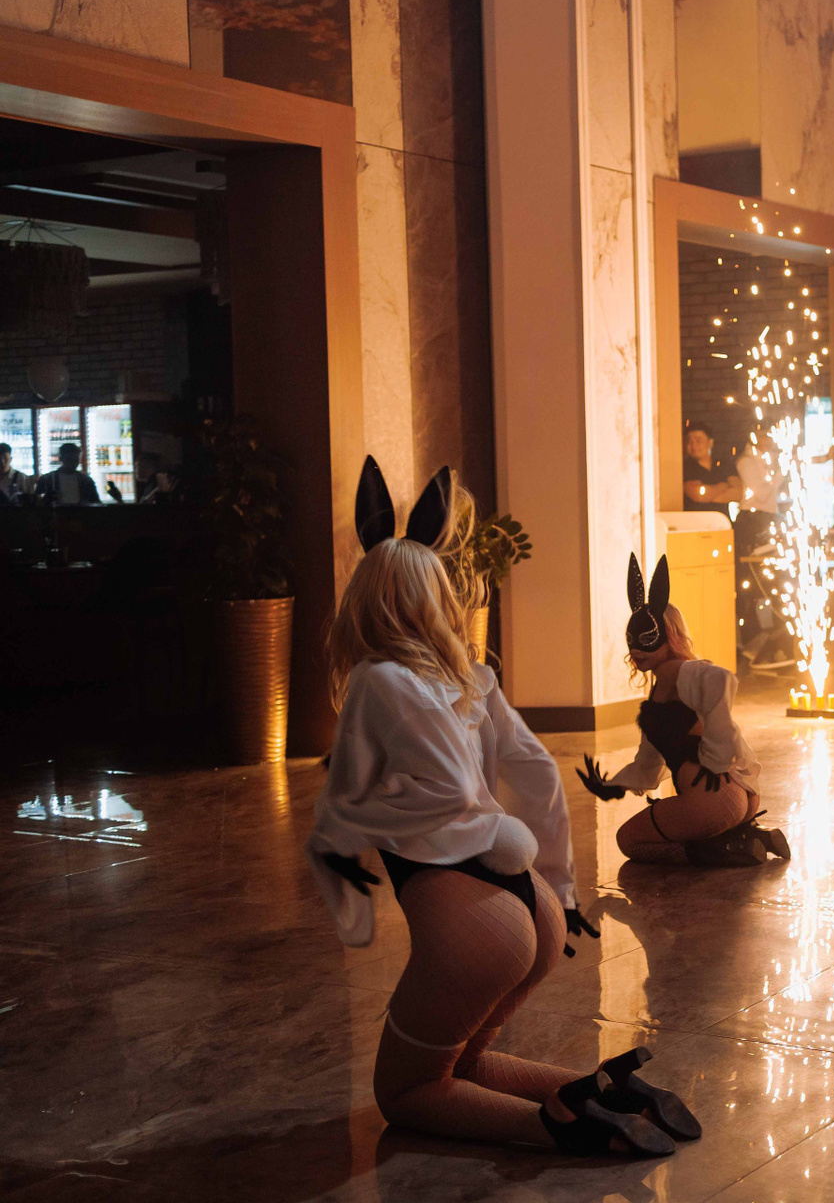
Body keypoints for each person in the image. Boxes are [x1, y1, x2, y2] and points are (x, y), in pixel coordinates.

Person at [309, 458, 701, 1156]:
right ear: (436, 599)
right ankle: (609, 1093)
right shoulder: (469, 678)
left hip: (467, 920)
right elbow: (539, 776)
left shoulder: (377, 679)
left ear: (364, 600)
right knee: (462, 1066)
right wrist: (559, 886)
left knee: (405, 1092)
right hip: (529, 903)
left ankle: (560, 1131)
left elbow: (422, 795)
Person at [575, 554, 791, 866]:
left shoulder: (678, 671)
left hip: (712, 801)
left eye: (647, 639)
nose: (636, 649)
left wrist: (717, 755)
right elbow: (650, 759)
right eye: (631, 640)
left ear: (670, 636)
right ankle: (749, 838)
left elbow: (722, 678)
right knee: (670, 827)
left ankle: (718, 850)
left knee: (629, 841)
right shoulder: (664, 683)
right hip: (740, 797)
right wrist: (616, 786)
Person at [683, 421, 743, 515]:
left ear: (710, 442)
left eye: (698, 440)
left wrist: (709, 494)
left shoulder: (724, 465)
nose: (693, 445)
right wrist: (724, 485)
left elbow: (738, 494)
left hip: (721, 521)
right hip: (694, 520)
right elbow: (698, 496)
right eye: (689, 441)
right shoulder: (685, 468)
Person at [35, 443, 99, 506]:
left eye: (75, 460)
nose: (73, 463)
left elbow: (38, 503)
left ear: (60, 458)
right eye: (70, 460)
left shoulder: (47, 479)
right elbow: (95, 503)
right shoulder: (86, 480)